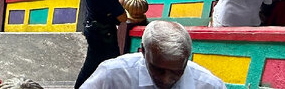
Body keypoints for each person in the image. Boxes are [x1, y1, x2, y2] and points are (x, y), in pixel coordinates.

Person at [82, 21, 225, 88]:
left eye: (176, 71)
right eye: (158, 69)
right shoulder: (113, 75)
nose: (166, 79)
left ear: (187, 59)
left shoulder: (209, 85)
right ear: (143, 51)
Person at [75, 0, 128, 88]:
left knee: (95, 65)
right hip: (102, 34)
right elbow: (123, 17)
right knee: (94, 67)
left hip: (95, 27)